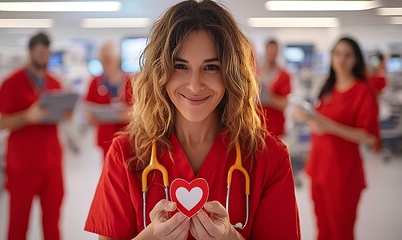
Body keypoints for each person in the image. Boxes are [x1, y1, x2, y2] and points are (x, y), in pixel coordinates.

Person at [85, 1, 300, 239]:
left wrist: (231, 237)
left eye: (211, 67)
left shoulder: (270, 157)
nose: (195, 85)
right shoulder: (125, 154)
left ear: (231, 73)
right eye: (180, 66)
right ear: (160, 71)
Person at [293, 37, 380, 240]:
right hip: (318, 169)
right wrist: (306, 117)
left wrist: (330, 126)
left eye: (347, 55)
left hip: (343, 174)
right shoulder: (328, 87)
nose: (341, 60)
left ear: (356, 60)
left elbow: (370, 138)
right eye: (337, 54)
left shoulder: (362, 92)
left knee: (340, 232)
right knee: (322, 229)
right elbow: (320, 123)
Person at [0, 32, 65, 240]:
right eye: (40, 53)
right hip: (23, 165)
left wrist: (64, 111)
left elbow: (56, 116)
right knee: (19, 223)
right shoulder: (12, 82)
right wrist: (27, 116)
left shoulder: (54, 82)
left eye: (47, 53)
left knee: (52, 222)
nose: (44, 57)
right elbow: (1, 123)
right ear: (31, 52)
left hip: (52, 162)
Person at [84, 41, 131, 159]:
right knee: (109, 171)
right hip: (106, 137)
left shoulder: (131, 81)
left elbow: (142, 109)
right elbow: (87, 108)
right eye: (103, 60)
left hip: (129, 136)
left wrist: (129, 115)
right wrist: (91, 116)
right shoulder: (95, 82)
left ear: (117, 60)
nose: (106, 64)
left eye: (109, 60)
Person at [257, 39, 291, 138]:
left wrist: (268, 97)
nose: (272, 54)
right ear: (265, 50)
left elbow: (284, 104)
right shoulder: (256, 73)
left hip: (276, 129)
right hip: (257, 128)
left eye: (274, 52)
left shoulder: (284, 76)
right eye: (270, 51)